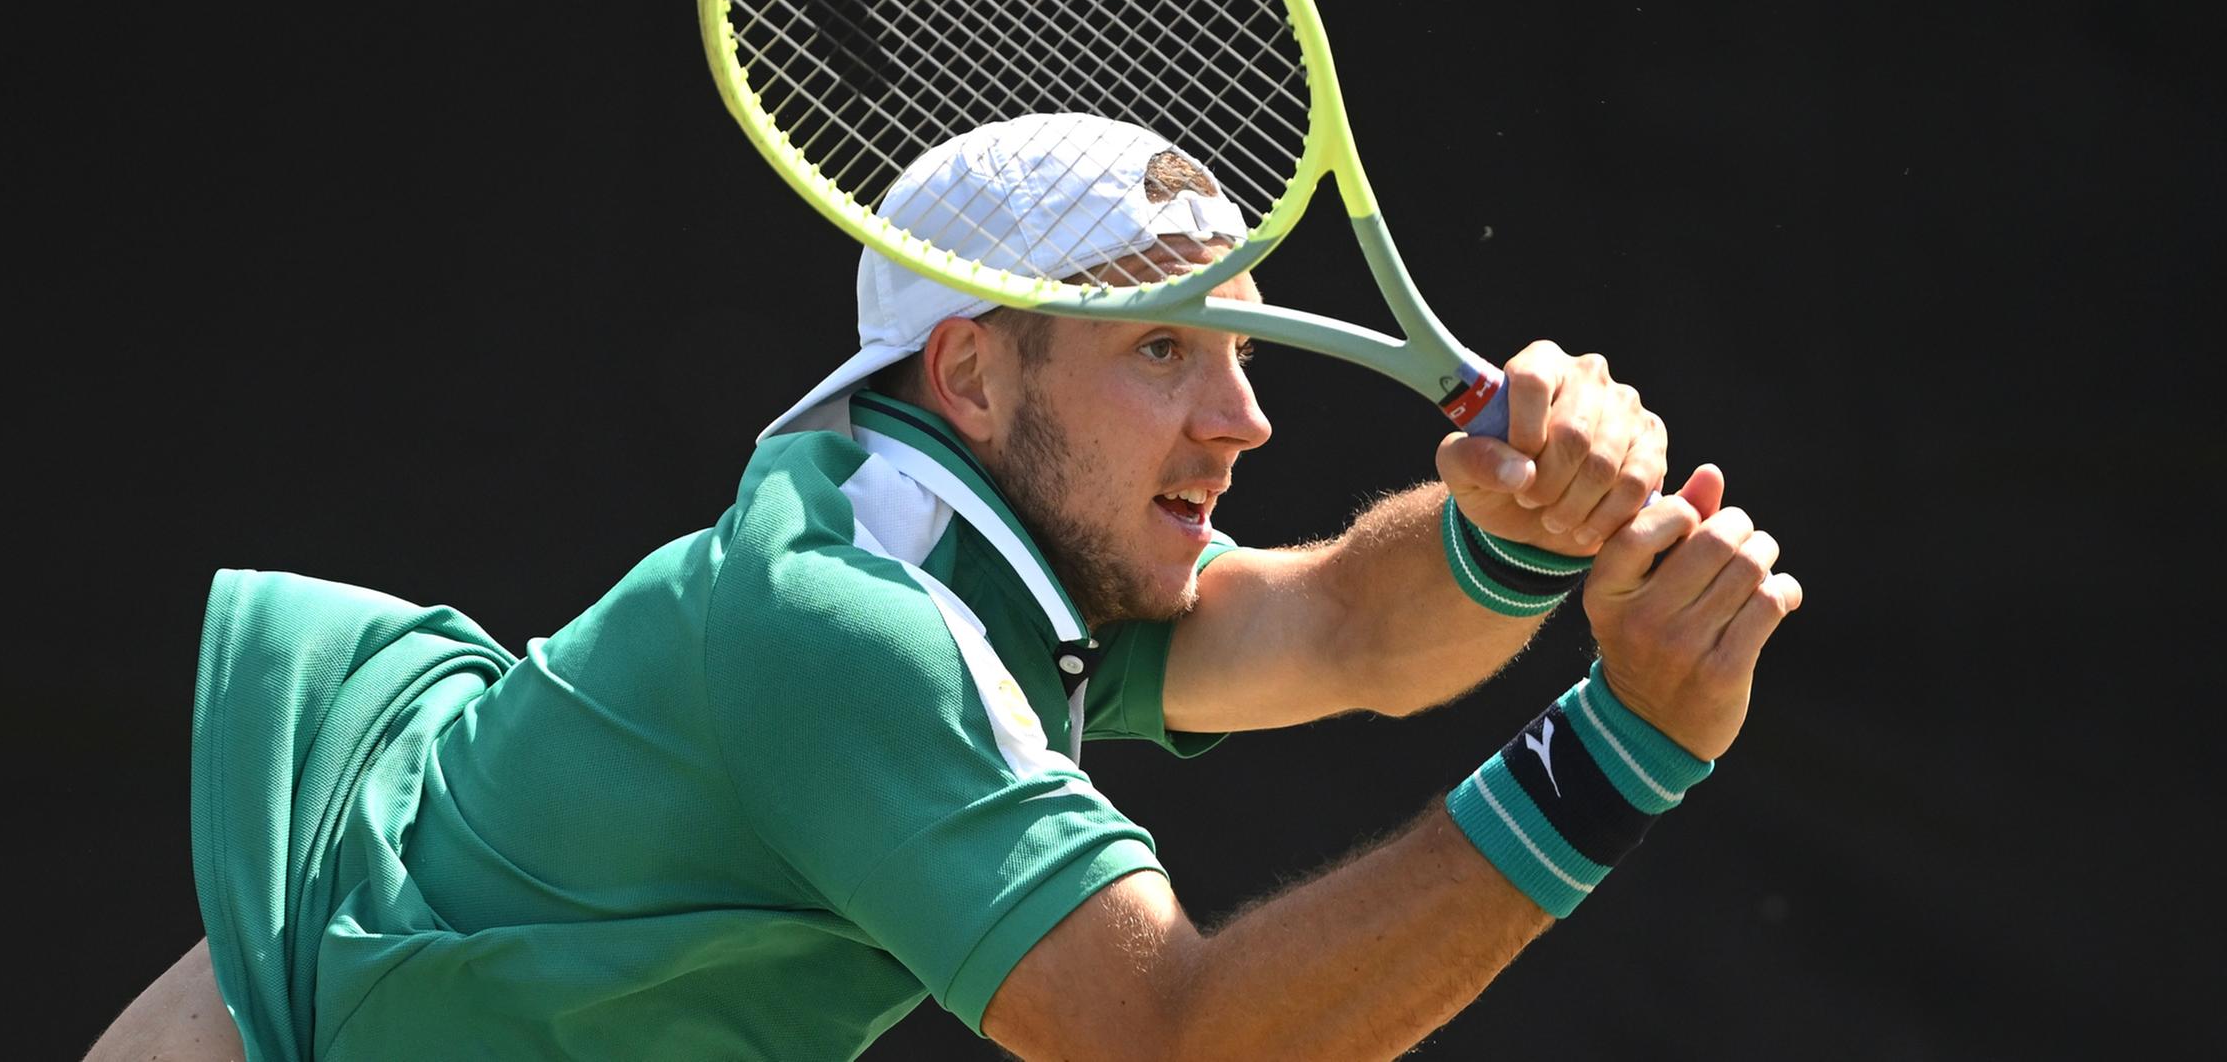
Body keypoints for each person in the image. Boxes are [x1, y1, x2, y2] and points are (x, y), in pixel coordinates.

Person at [88, 113, 1801, 1061]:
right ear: (972, 377)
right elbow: (1171, 1044)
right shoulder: (854, 628)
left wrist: (1509, 526)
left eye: (1242, 343)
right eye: (1163, 348)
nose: (1248, 411)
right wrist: (1616, 757)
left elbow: (1340, 626)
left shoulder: (976, 547)